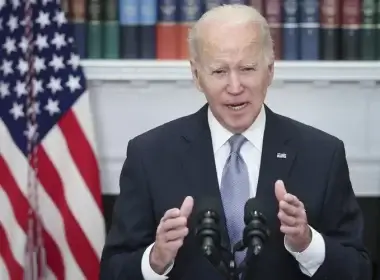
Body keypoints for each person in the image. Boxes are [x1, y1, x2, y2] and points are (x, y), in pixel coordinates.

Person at [99, 4, 372, 280]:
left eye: (247, 68)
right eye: (219, 71)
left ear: (270, 70)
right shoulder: (149, 155)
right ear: (196, 76)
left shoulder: (323, 155)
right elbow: (112, 271)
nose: (235, 86)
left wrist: (307, 244)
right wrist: (156, 260)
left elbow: (360, 270)